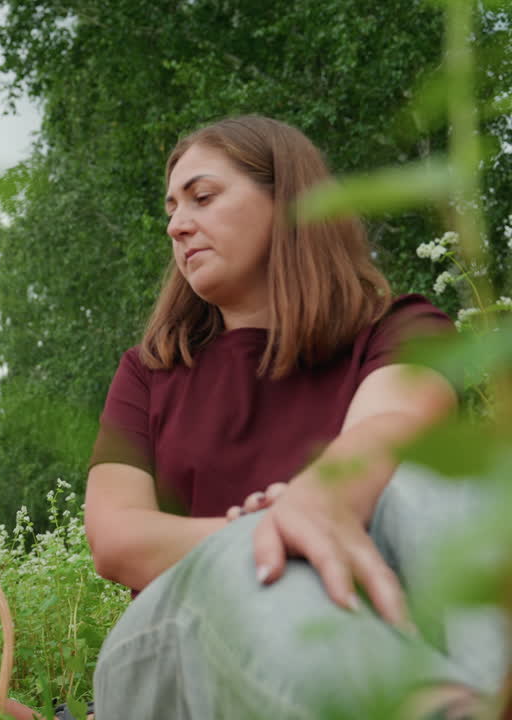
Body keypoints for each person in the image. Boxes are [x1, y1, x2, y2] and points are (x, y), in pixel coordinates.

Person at [82, 115, 508, 719]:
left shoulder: (400, 328)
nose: (177, 225)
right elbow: (117, 539)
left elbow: (388, 428)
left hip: (378, 620)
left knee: (432, 481)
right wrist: (270, 532)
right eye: (171, 209)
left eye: (202, 197)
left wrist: (323, 500)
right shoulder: (147, 373)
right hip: (174, 660)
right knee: (236, 562)